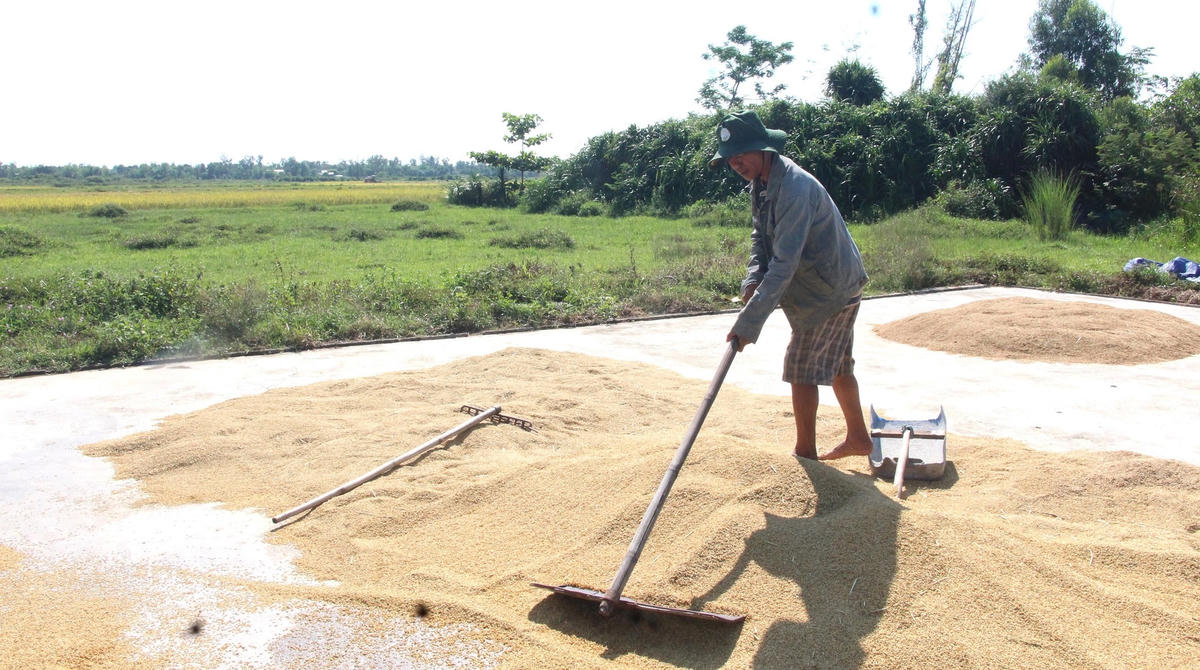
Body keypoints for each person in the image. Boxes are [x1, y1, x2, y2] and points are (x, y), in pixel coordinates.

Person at [710, 110, 872, 461]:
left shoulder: (795, 188)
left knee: (800, 367)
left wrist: (749, 323)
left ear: (763, 149)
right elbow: (760, 236)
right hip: (824, 285)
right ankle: (859, 438)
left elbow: (785, 264)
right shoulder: (763, 182)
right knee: (840, 364)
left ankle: (805, 453)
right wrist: (753, 278)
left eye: (741, 154)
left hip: (830, 290)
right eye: (730, 159)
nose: (735, 163)